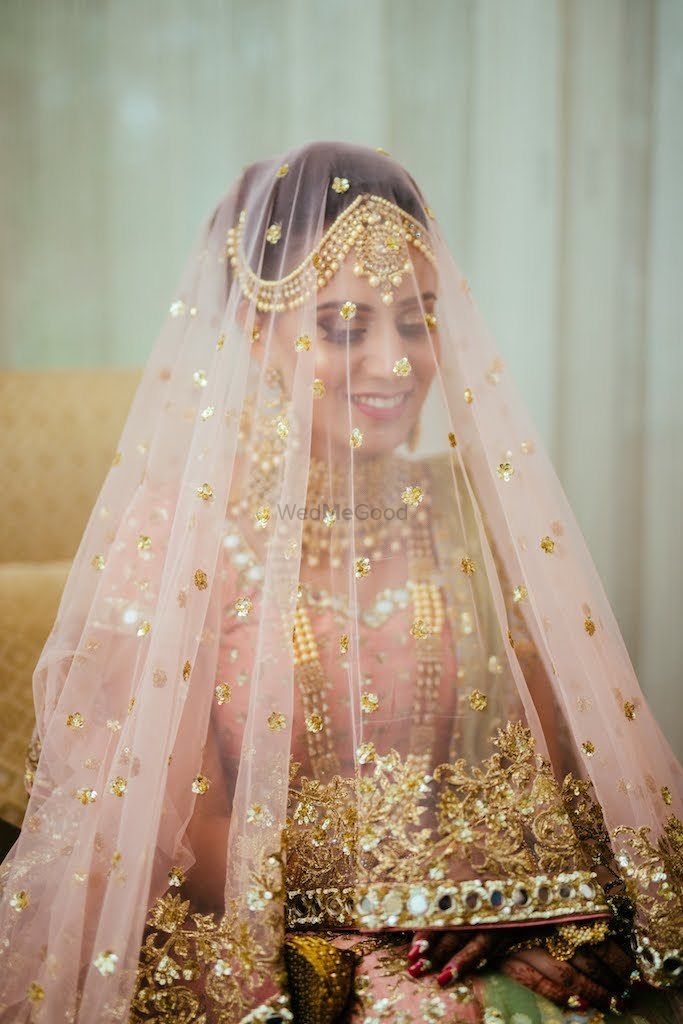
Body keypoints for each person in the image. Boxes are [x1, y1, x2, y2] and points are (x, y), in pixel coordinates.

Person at [0, 140, 681, 1024]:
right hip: (268, 946)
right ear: (256, 327)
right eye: (344, 326)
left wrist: (528, 903)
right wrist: (417, 894)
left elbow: (562, 772)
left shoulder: (471, 512)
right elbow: (177, 837)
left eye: (418, 317)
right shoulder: (183, 534)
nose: (396, 363)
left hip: (472, 933)